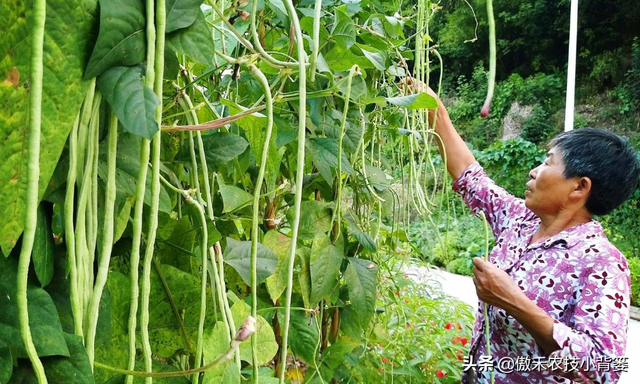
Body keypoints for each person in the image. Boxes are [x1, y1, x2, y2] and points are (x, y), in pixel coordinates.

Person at [427, 87, 639, 383]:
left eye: (548, 163)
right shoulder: (520, 219)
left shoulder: (601, 262)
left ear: (579, 188)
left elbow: (606, 368)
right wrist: (432, 106)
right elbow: (469, 176)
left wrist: (515, 301)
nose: (533, 171)